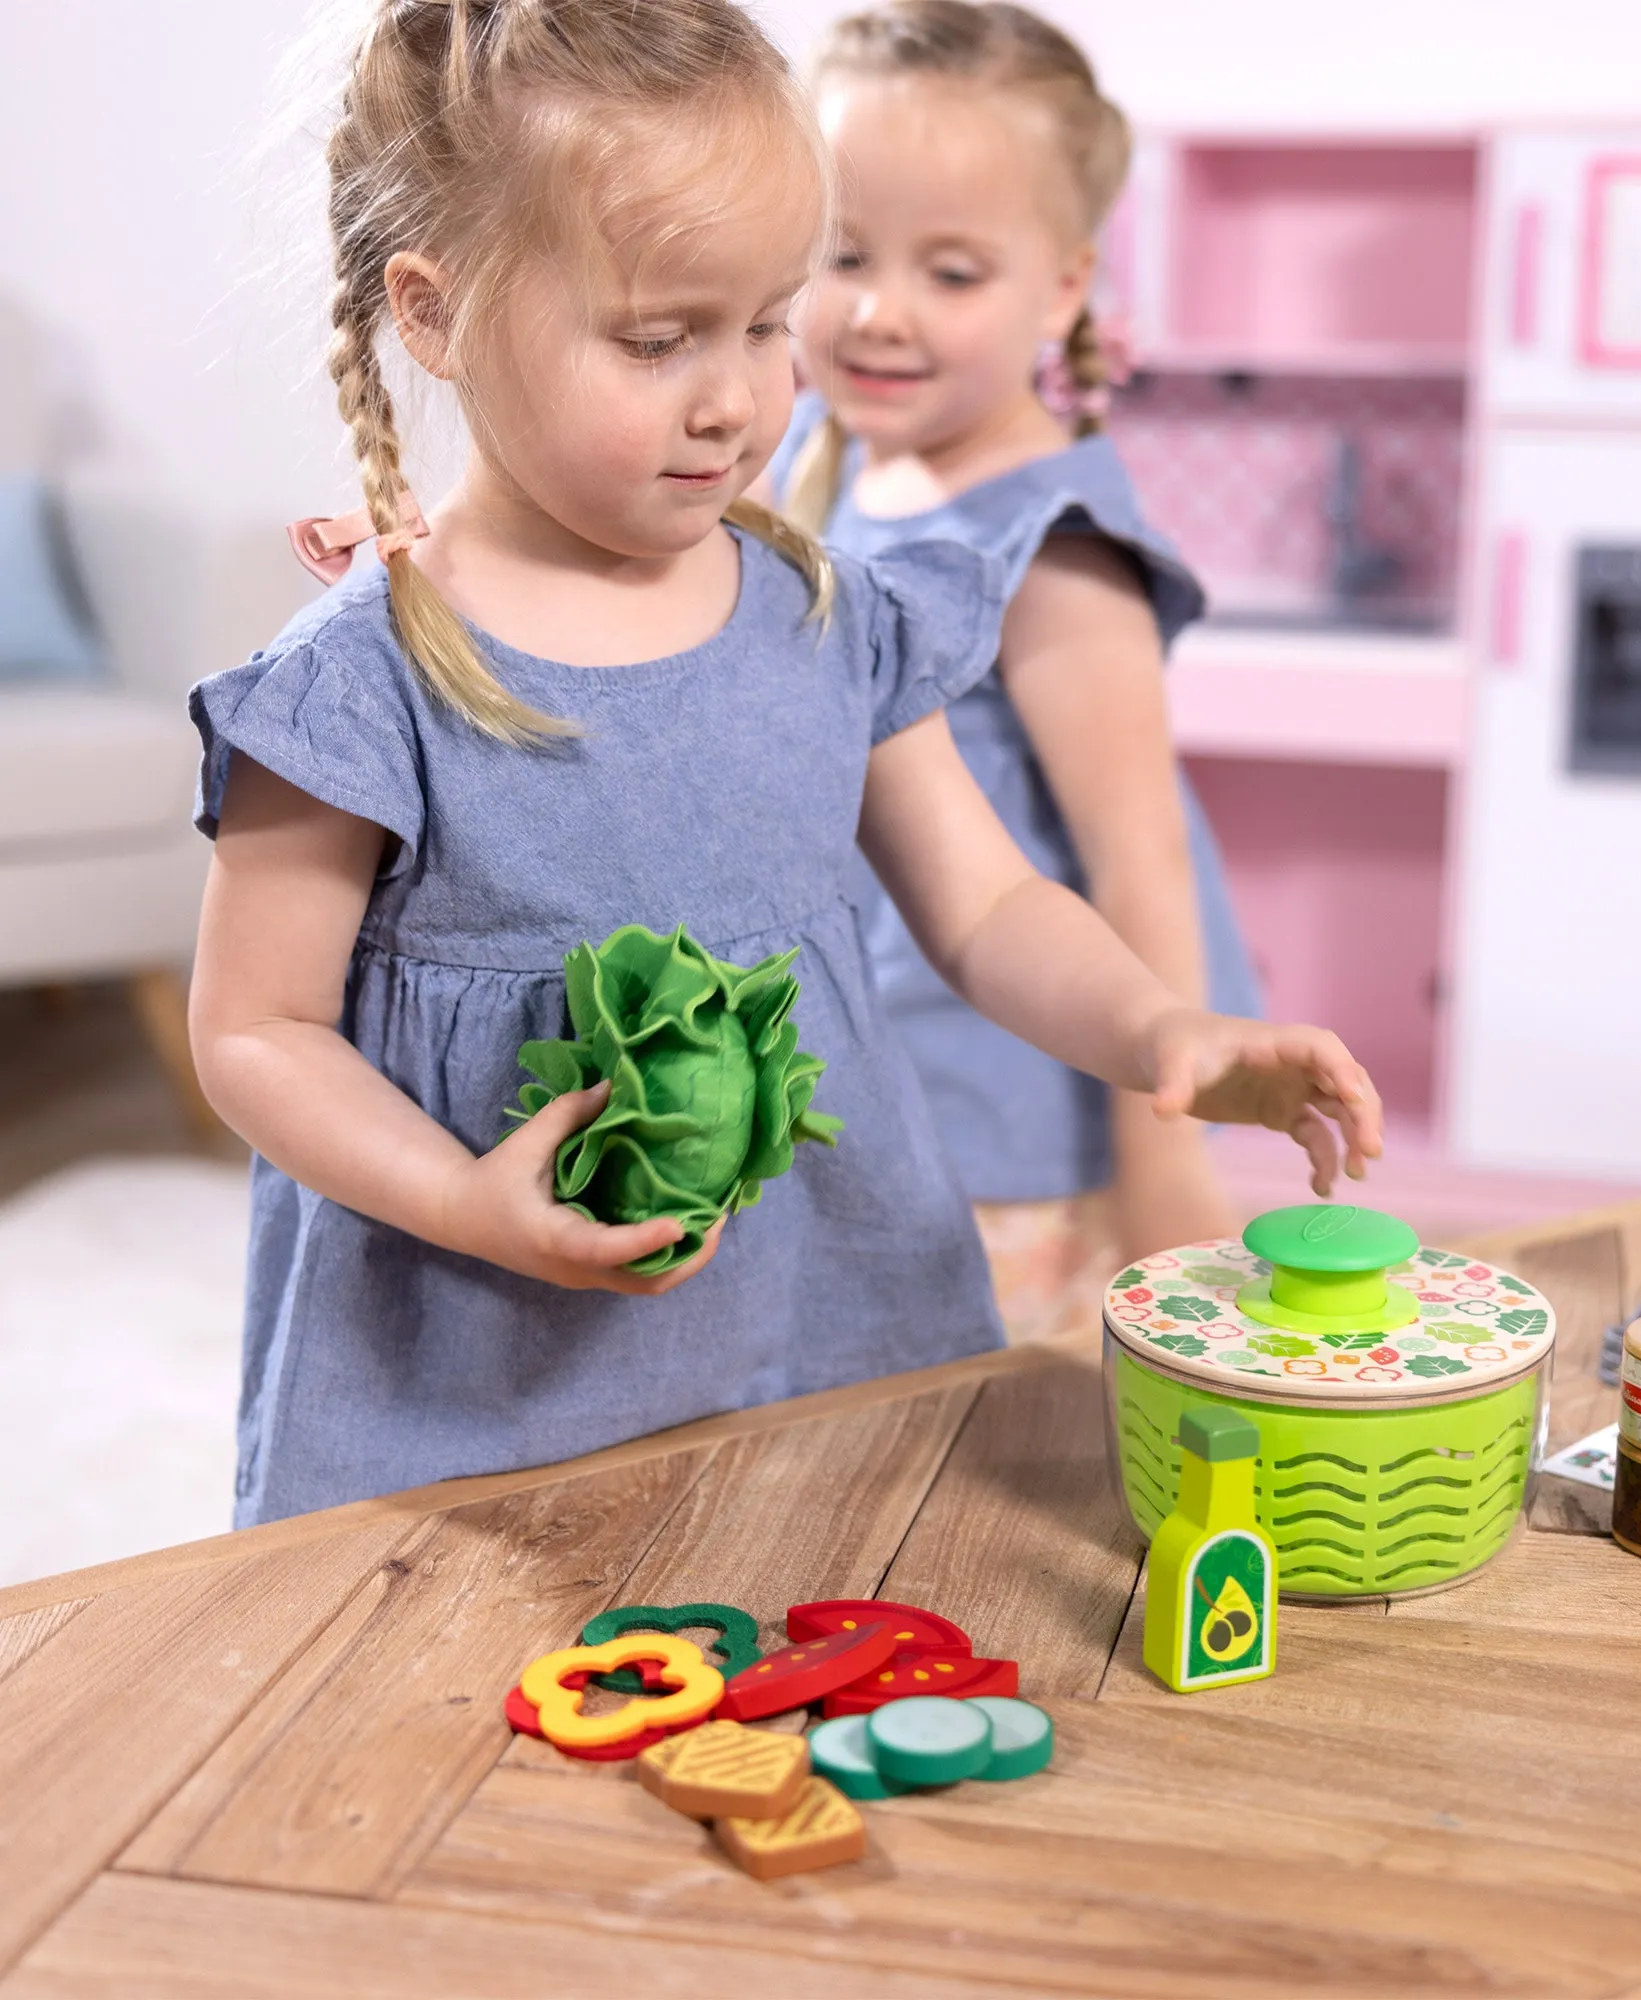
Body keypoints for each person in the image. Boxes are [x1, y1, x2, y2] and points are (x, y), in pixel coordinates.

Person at [188, 0, 1381, 1525]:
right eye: (657, 338)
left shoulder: (830, 612)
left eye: (765, 322)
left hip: (815, 1337)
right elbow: (256, 1034)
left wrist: (1163, 1030)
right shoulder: (358, 686)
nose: (736, 398)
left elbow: (988, 908)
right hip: (471, 1391)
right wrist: (457, 1200)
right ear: (433, 314)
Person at [777, 1, 1262, 1338]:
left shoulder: (1048, 550)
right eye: (843, 254)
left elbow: (1142, 860)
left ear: (1061, 286)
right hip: (870, 1067)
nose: (880, 312)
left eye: (953, 271)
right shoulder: (819, 456)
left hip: (1010, 1123)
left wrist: (1169, 1158)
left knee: (985, 1448)